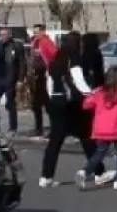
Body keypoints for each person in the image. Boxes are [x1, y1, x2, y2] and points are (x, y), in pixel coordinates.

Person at [37, 32, 99, 188]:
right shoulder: (74, 59)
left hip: (56, 105)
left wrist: (51, 102)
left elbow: (49, 85)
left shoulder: (55, 62)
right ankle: (98, 171)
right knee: (86, 137)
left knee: (55, 142)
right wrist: (91, 95)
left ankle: (46, 176)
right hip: (72, 106)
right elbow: (78, 81)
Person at [0, 27, 27, 136]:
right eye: (1, 35)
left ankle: (12, 128)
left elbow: (22, 64)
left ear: (10, 35)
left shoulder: (16, 46)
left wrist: (20, 79)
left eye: (5, 35)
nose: (2, 37)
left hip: (10, 78)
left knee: (10, 104)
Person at [28, 24, 57, 137]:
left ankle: (53, 128)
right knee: (36, 104)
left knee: (47, 104)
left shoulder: (46, 42)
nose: (36, 34)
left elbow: (55, 54)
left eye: (38, 32)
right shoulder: (34, 42)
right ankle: (38, 128)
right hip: (36, 76)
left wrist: (50, 67)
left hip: (44, 76)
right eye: (34, 32)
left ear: (43, 32)